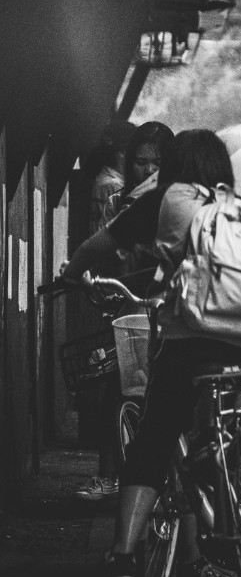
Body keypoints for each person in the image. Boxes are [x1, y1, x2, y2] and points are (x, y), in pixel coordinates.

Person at [60, 129, 241, 577]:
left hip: (195, 340)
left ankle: (123, 558)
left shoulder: (166, 199)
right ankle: (222, 470)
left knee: (155, 438)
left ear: (176, 165)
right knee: (217, 421)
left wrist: (72, 273)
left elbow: (96, 247)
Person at [72, 119, 135, 502]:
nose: (148, 168)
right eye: (141, 159)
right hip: (120, 298)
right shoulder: (116, 192)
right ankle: (111, 475)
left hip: (131, 301)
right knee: (115, 387)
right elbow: (102, 245)